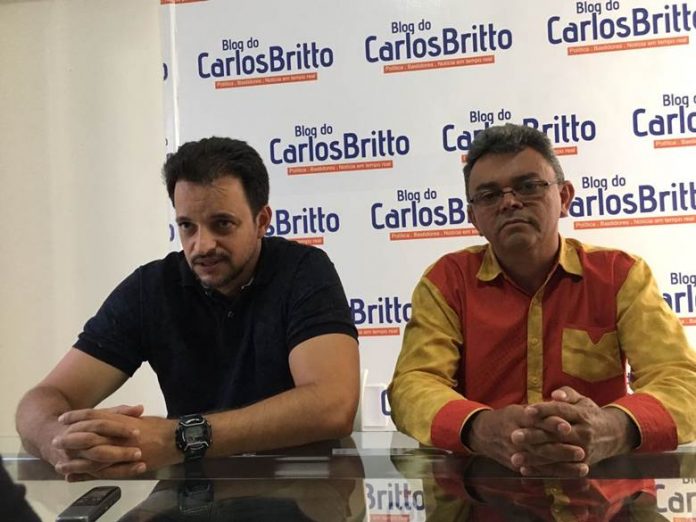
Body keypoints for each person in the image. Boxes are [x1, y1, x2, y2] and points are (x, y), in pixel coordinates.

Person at [15, 137, 360, 480]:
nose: (202, 244)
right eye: (187, 226)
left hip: (298, 489)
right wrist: (58, 441)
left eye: (222, 224)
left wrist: (178, 438)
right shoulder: (151, 288)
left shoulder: (303, 270)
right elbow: (44, 399)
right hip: (194, 495)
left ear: (261, 221)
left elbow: (332, 405)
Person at [388, 123, 696, 477]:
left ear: (564, 197)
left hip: (604, 492)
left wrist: (611, 428)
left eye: (528, 186)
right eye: (489, 195)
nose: (509, 202)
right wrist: (479, 427)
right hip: (480, 489)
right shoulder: (447, 281)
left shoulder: (619, 274)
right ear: (473, 219)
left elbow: (682, 381)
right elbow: (412, 386)